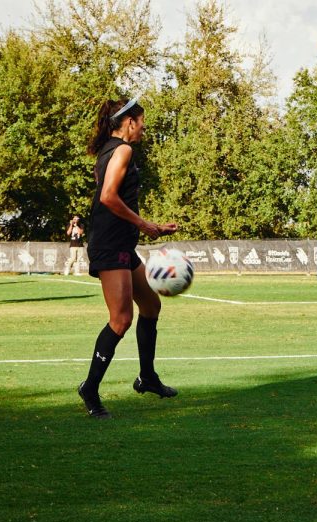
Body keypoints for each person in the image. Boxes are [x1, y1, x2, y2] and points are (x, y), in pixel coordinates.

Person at [78, 96, 179, 419]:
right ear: (129, 122)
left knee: (151, 305)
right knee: (121, 319)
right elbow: (107, 197)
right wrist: (144, 224)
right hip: (110, 245)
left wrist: (151, 226)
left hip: (120, 242)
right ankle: (90, 389)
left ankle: (147, 377)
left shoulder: (108, 150)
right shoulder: (122, 150)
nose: (144, 128)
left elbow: (111, 196)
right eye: (142, 123)